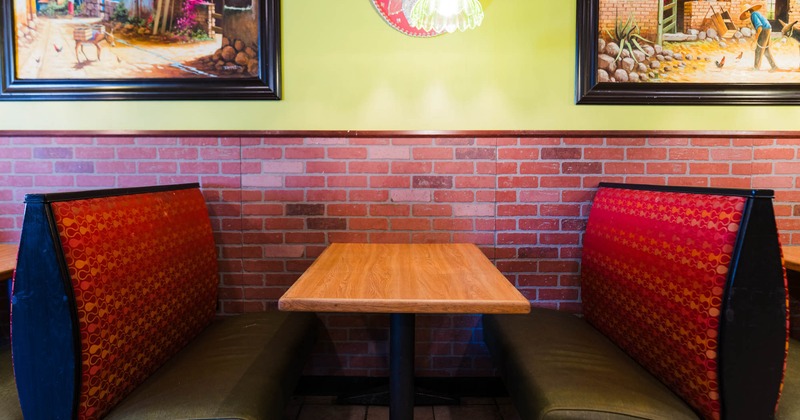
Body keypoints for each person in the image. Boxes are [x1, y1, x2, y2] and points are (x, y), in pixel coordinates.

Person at [740, 3, 779, 71]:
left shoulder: (753, 15)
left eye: (745, 13)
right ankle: (774, 66)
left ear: (748, 11)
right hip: (768, 29)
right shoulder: (755, 13)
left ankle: (756, 67)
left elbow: (760, 28)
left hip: (764, 30)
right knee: (766, 50)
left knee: (758, 50)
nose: (745, 15)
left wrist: (755, 39)